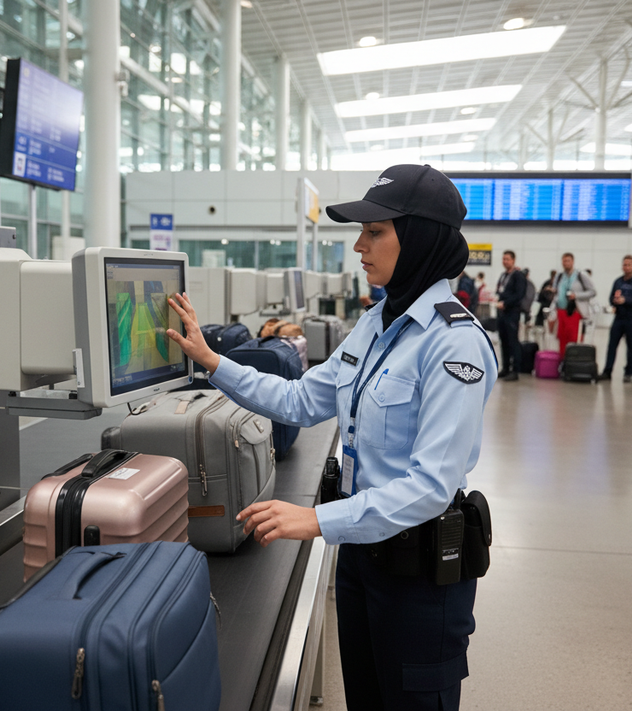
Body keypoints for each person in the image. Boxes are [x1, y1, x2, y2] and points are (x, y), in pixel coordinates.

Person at [166, 163, 497, 711]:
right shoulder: (376, 323)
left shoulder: (453, 343)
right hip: (362, 559)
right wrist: (213, 361)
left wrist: (317, 520)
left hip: (419, 581)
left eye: (375, 232)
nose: (359, 246)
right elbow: (299, 400)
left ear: (417, 239)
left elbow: (431, 486)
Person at [600, 255, 632, 383]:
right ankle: (607, 371)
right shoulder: (618, 281)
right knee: (612, 345)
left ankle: (630, 372)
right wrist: (614, 301)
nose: (626, 267)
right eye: (624, 264)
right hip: (619, 318)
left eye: (629, 264)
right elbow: (611, 297)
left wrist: (626, 300)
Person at [549, 253, 597, 355]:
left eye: (568, 261)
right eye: (564, 261)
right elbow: (556, 293)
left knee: (574, 337)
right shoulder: (559, 276)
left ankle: (573, 359)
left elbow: (592, 291)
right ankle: (562, 360)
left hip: (575, 312)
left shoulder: (581, 276)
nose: (566, 263)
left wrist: (577, 295)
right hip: (561, 311)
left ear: (573, 262)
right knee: (561, 337)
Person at [495, 250, 527, 381]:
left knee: (513, 341)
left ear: (513, 260)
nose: (505, 261)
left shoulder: (518, 276)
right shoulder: (503, 276)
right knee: (504, 340)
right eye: (503, 259)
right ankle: (505, 368)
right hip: (502, 313)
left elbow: (519, 295)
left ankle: (515, 370)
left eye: (507, 259)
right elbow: (501, 291)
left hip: (512, 312)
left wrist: (506, 303)